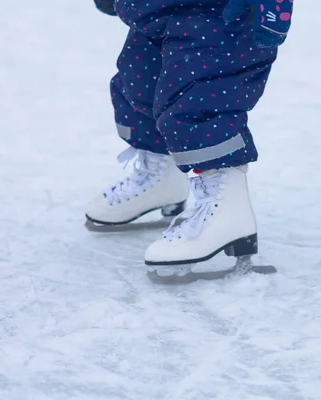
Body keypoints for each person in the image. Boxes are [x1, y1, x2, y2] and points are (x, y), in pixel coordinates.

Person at [86, 0, 293, 266]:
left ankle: (227, 209)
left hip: (216, 15)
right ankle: (161, 177)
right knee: (139, 87)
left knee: (200, 106)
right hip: (152, 9)